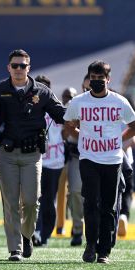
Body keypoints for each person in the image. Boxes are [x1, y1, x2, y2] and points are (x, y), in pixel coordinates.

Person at [0, 49, 66, 261]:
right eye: (15, 65)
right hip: (7, 154)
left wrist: (83, 107)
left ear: (29, 68)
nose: (19, 69)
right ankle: (15, 249)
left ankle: (27, 235)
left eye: (23, 65)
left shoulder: (43, 92)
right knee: (10, 203)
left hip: (33, 154)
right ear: (8, 68)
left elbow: (61, 114)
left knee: (31, 202)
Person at [64, 60, 135, 264]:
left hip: (112, 160)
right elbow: (68, 124)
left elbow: (133, 124)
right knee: (91, 203)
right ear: (88, 80)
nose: (96, 82)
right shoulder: (78, 102)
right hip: (88, 158)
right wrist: (81, 136)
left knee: (108, 207)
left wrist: (118, 139)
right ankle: (91, 245)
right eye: (93, 78)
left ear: (108, 79)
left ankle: (104, 251)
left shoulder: (119, 101)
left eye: (100, 79)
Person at [33, 75, 65, 247]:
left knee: (49, 199)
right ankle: (35, 232)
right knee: (34, 198)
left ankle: (45, 234)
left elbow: (66, 128)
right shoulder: (30, 106)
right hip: (35, 158)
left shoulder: (56, 107)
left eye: (45, 87)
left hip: (54, 161)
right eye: (39, 86)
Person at [61, 86, 84, 246]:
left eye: (71, 96)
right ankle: (77, 229)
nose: (68, 100)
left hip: (96, 154)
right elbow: (63, 134)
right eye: (66, 97)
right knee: (75, 191)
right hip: (73, 155)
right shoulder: (66, 108)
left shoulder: (86, 104)